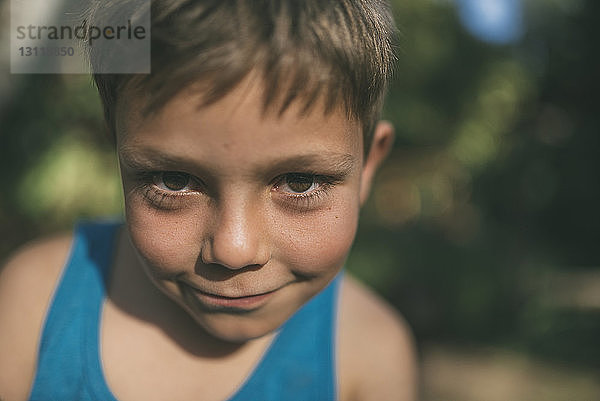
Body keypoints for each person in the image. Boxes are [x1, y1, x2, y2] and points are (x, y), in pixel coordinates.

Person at [0, 1, 417, 400]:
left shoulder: (368, 356)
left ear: (367, 166)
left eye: (300, 183)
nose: (234, 250)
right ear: (118, 150)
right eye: (175, 181)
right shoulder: (34, 305)